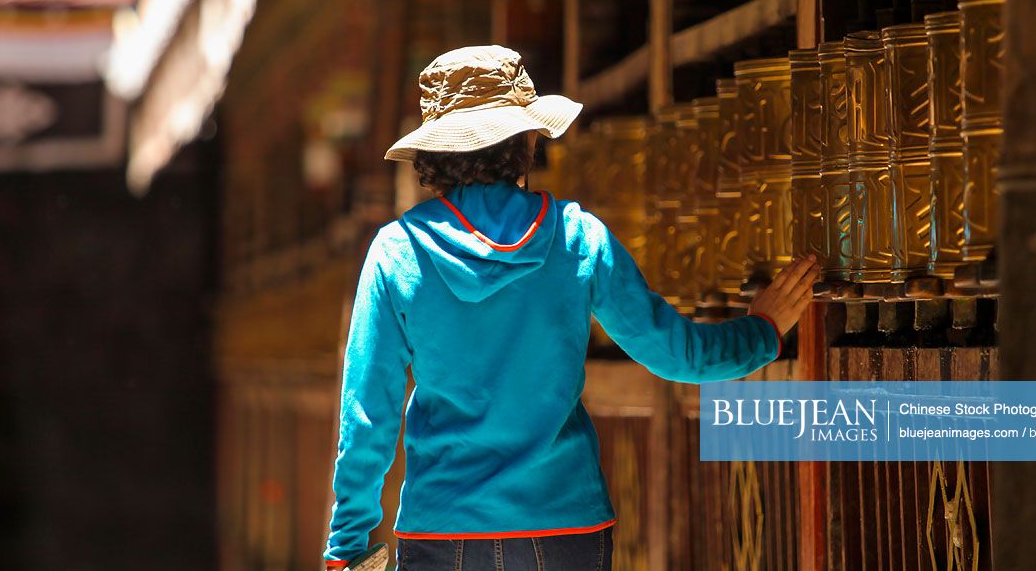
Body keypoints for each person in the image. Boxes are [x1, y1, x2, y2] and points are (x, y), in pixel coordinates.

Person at [324, 46, 817, 570]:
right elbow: (678, 356)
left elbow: (366, 418)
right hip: (567, 529)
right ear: (528, 139)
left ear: (435, 155)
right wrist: (764, 329)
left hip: (442, 534)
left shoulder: (396, 252)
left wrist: (345, 549)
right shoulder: (578, 237)